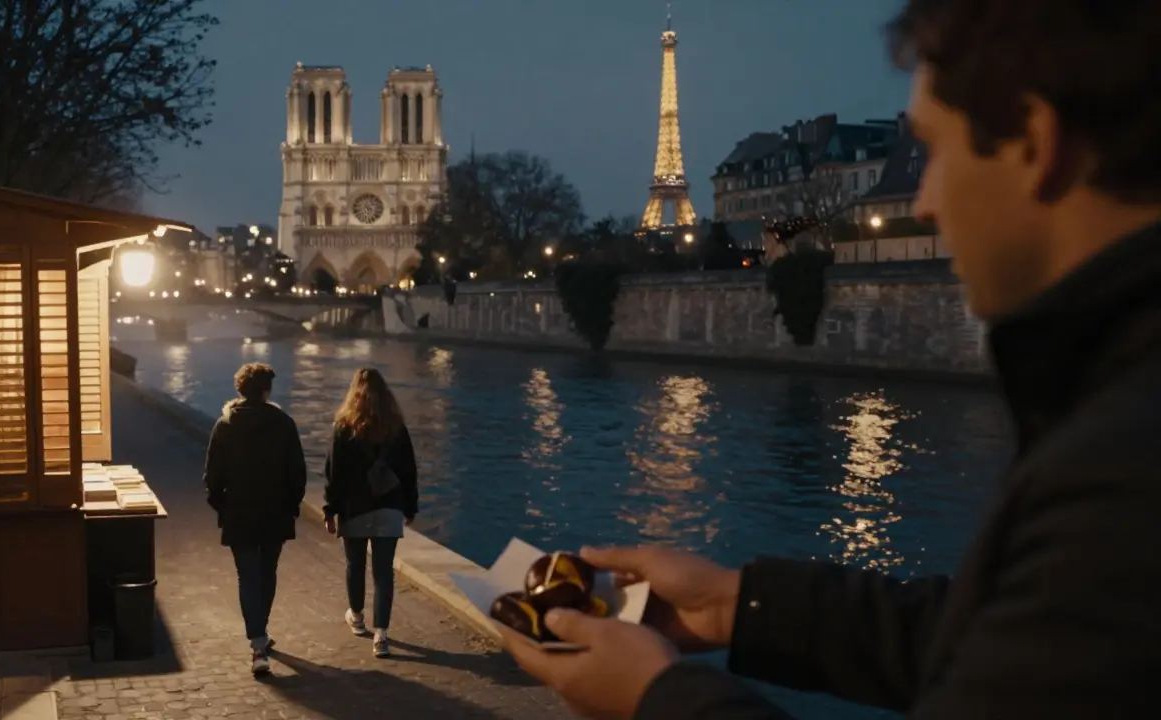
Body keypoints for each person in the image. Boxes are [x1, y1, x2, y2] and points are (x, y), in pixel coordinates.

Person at [499, 1, 1161, 718]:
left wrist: (658, 699)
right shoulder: (1119, 420)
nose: (926, 204)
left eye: (935, 155)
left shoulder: (1121, 473)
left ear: (1035, 143)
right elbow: (1028, 644)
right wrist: (735, 605)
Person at [203, 362, 307, 676]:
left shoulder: (225, 424)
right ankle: (261, 631)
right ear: (266, 390)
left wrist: (223, 505)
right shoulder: (284, 423)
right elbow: (297, 473)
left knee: (247, 575)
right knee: (267, 572)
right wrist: (291, 504)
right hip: (275, 511)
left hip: (239, 512)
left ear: (240, 389)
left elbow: (212, 476)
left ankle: (258, 642)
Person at [322, 367, 418, 659]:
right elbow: (409, 472)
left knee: (354, 564)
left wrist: (330, 509)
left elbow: (334, 473)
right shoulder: (397, 428)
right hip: (389, 508)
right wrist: (410, 507)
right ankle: (382, 637)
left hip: (355, 508)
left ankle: (357, 617)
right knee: (383, 573)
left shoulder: (343, 426)